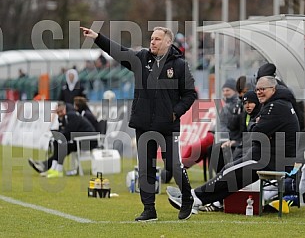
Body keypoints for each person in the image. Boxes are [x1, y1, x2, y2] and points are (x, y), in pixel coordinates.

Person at [81, 26, 197, 221]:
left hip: (168, 125)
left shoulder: (178, 65)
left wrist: (175, 113)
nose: (152, 41)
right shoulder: (141, 59)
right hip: (143, 124)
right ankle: (149, 209)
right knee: (145, 168)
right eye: (152, 38)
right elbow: (118, 52)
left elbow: (190, 94)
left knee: (173, 165)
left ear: (168, 42)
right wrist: (97, 38)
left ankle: (187, 199)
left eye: (158, 39)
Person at [167, 76, 300, 213]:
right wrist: (257, 124)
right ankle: (196, 199)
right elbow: (255, 133)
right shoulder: (278, 103)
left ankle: (191, 197)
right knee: (230, 171)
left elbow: (255, 133)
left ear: (273, 89)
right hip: (265, 156)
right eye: (257, 89)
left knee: (230, 171)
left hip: (269, 160)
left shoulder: (276, 106)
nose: (259, 92)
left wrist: (256, 125)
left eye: (263, 89)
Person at [28, 101, 97, 178]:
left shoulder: (72, 115)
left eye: (60, 111)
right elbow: (66, 132)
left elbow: (69, 131)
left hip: (89, 141)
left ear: (64, 109)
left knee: (62, 146)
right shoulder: (64, 117)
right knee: (57, 143)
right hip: (79, 139)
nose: (59, 114)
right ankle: (52, 168)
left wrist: (59, 134)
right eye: (57, 112)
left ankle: (56, 169)